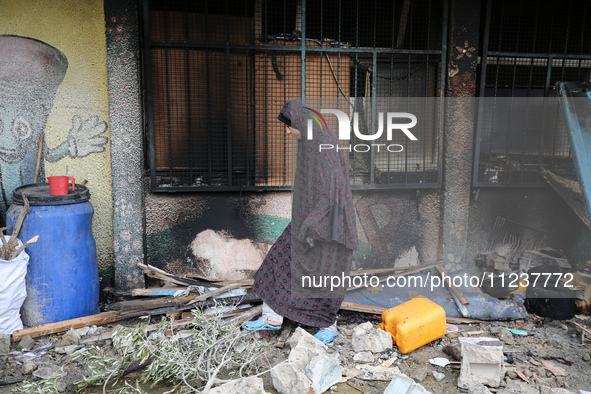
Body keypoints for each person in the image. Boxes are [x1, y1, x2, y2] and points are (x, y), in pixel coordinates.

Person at [243, 99, 358, 344]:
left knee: (322, 274)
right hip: (311, 219)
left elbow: (331, 191)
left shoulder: (323, 144)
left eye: (288, 125)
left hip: (329, 224)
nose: (287, 131)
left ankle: (329, 326)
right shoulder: (312, 142)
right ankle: (271, 318)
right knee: (278, 259)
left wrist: (312, 225)